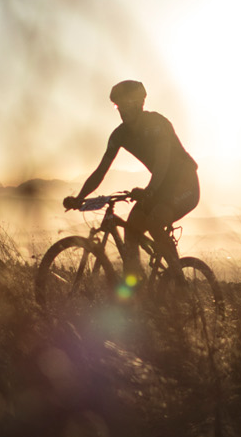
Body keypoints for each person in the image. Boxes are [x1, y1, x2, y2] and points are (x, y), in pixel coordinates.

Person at [64, 80, 200, 290]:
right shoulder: (119, 135)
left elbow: (162, 161)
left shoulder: (157, 124)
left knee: (155, 220)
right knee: (131, 228)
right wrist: (80, 197)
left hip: (185, 184)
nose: (122, 110)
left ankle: (179, 285)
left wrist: (150, 190)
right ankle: (137, 290)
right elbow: (101, 170)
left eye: (127, 104)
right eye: (118, 106)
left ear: (139, 103)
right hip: (160, 186)